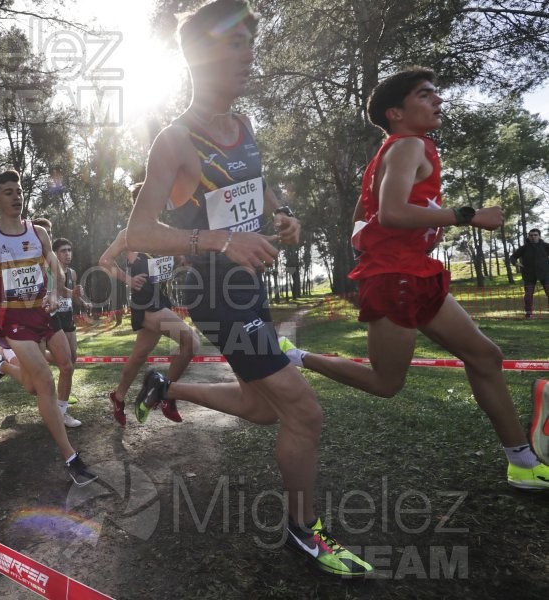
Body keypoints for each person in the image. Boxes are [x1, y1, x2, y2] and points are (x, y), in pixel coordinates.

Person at [125, 1, 371, 576]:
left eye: (249, 42)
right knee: (304, 413)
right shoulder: (176, 138)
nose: (248, 53)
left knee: (263, 409)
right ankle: (303, 533)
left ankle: (169, 390)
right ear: (199, 57)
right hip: (220, 295)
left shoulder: (244, 125)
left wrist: (282, 215)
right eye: (234, 43)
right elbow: (139, 231)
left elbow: (257, 192)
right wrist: (219, 242)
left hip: (250, 290)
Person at [278, 67, 549, 492]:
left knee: (485, 356)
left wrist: (385, 245)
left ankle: (521, 461)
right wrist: (467, 216)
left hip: (413, 271)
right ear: (396, 112)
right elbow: (391, 213)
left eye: (435, 93)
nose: (438, 100)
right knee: (386, 383)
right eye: (425, 95)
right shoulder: (408, 145)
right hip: (396, 278)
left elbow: (361, 221)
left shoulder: (397, 149)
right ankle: (295, 357)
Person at [0, 170, 97, 486]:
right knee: (44, 381)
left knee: (55, 372)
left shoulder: (39, 233)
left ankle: (2, 366)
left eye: (18, 191)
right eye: (8, 192)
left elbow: (57, 269)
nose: (16, 196)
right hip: (14, 321)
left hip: (42, 316)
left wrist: (57, 292)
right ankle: (71, 459)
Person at [99, 188, 200, 426]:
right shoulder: (128, 234)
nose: (157, 204)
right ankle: (166, 395)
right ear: (138, 204)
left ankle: (118, 396)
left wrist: (181, 260)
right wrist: (128, 279)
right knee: (191, 341)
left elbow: (174, 262)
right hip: (145, 305)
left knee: (138, 356)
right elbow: (104, 260)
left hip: (160, 299)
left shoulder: (163, 233)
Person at [30, 217, 81, 416]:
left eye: (50, 232)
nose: (48, 235)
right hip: (32, 318)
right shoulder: (27, 258)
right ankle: (4, 362)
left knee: (68, 363)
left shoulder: (53, 259)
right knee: (33, 385)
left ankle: (61, 411)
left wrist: (66, 295)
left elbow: (59, 285)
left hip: (54, 316)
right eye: (44, 231)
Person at [49, 237, 92, 413]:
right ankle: (60, 404)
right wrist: (72, 293)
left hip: (67, 317)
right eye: (63, 251)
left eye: (69, 250)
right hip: (54, 318)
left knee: (72, 358)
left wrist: (83, 302)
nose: (67, 254)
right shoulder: (50, 272)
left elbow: (71, 294)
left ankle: (63, 394)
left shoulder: (72, 273)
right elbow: (59, 291)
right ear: (55, 254)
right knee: (65, 362)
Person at [510, 228, 549, 319]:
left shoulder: (545, 246)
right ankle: (528, 313)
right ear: (528, 236)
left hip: (545, 273)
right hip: (529, 275)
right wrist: (516, 263)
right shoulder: (524, 248)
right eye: (531, 235)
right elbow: (513, 257)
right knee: (528, 295)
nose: (533, 237)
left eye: (535, 235)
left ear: (539, 236)